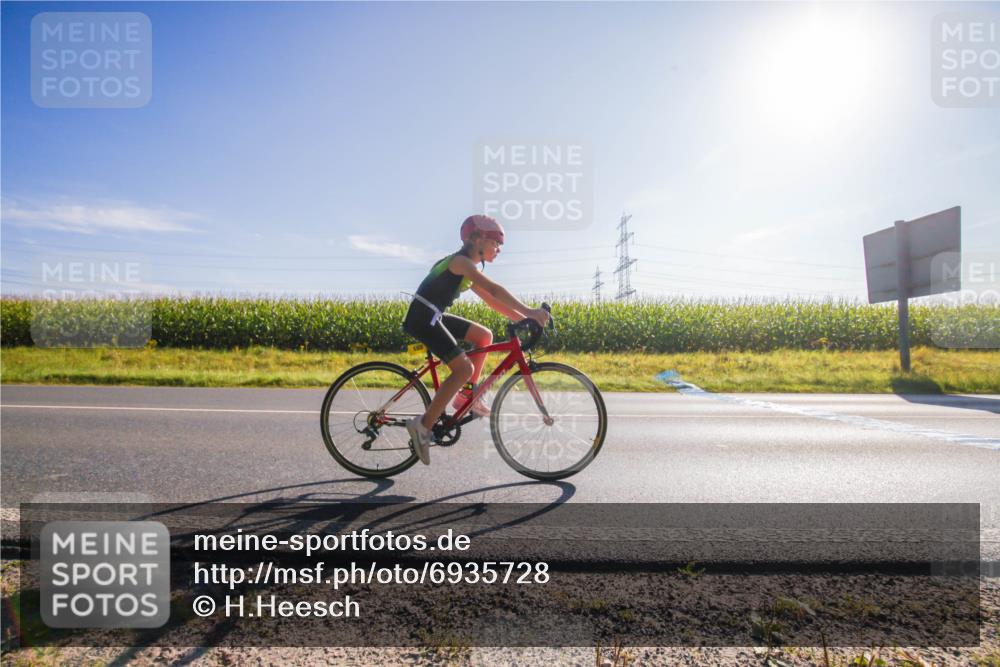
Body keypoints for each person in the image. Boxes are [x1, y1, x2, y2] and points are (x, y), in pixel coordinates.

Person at [402, 214, 549, 465]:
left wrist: (521, 321)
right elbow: (495, 290)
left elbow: (492, 301)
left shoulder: (467, 268)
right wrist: (531, 312)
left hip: (433, 315)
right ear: (477, 238)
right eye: (495, 242)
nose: (498, 249)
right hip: (422, 317)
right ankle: (422, 426)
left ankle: (466, 397)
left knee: (484, 336)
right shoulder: (461, 263)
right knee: (463, 368)